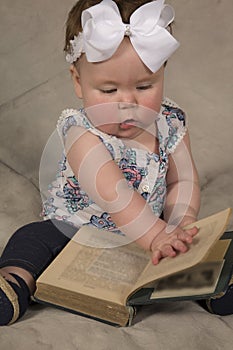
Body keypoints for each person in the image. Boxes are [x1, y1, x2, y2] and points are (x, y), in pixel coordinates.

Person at [0, 0, 231, 327]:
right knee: (34, 238)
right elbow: (115, 194)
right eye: (109, 89)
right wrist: (155, 236)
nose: (127, 103)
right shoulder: (82, 134)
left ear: (163, 71)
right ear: (78, 82)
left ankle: (214, 289)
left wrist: (180, 221)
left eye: (144, 86)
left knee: (189, 246)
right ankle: (13, 281)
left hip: (149, 233)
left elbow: (184, 181)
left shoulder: (170, 123)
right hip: (79, 230)